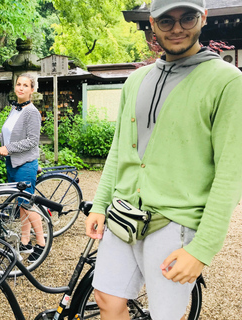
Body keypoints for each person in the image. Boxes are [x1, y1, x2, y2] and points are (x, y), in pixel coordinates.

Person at [84, 0, 242, 319]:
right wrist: (100, 204)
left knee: (165, 315)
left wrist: (202, 248)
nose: (177, 28)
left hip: (176, 222)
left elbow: (231, 171)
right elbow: (119, 149)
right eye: (166, 21)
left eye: (187, 17)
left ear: (203, 17)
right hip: (123, 212)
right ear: (152, 24)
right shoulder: (135, 80)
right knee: (106, 298)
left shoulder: (227, 81)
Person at [0, 73, 44, 262]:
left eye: (26, 85)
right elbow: (9, 135)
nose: (21, 88)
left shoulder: (32, 112)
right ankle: (25, 241)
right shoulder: (15, 109)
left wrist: (7, 148)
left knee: (27, 205)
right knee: (21, 205)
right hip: (13, 163)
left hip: (25, 164)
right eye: (19, 84)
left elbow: (32, 141)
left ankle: (41, 244)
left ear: (32, 90)